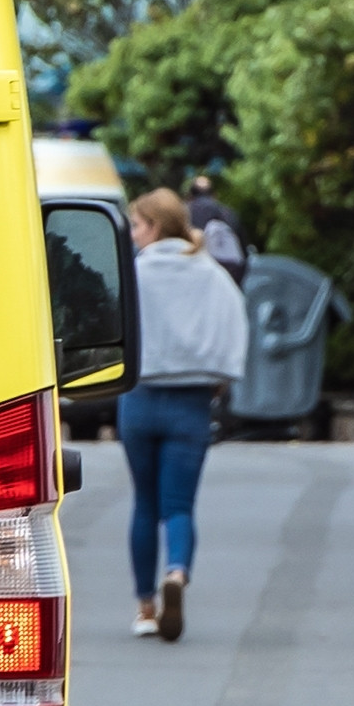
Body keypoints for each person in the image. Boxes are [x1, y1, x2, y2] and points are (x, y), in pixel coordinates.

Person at [122, 188, 247, 644]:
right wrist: (220, 378)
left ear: (154, 227)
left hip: (138, 397)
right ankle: (176, 571)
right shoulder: (210, 273)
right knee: (178, 505)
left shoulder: (134, 273)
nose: (133, 234)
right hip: (191, 400)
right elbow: (234, 324)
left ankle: (144, 607)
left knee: (144, 503)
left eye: (137, 225)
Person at [187, 173, 248, 283]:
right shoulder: (229, 214)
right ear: (215, 195)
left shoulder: (184, 215)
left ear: (190, 196)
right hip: (228, 279)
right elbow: (243, 253)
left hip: (194, 278)